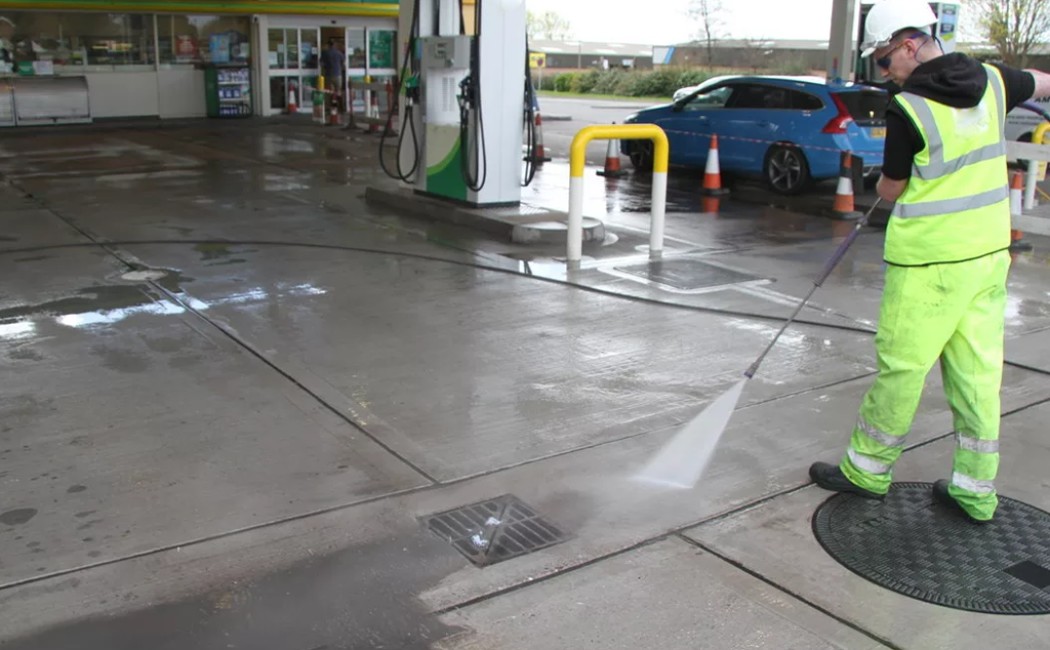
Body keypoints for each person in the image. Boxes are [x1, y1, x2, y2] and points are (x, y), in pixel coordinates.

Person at [809, 0, 1050, 523]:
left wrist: (880, 181)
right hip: (987, 256)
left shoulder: (909, 107)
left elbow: (893, 189)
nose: (883, 70)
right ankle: (974, 489)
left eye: (883, 57)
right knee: (979, 374)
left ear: (910, 43)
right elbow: (1042, 81)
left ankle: (867, 470)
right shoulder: (993, 80)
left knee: (903, 368)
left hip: (928, 264)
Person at [321, 38, 345, 113]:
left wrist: (326, 67)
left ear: (328, 45)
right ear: (334, 45)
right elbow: (343, 61)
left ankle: (331, 108)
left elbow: (321, 63)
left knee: (330, 92)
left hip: (329, 75)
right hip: (338, 75)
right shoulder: (339, 53)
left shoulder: (325, 53)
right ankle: (341, 108)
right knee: (338, 92)